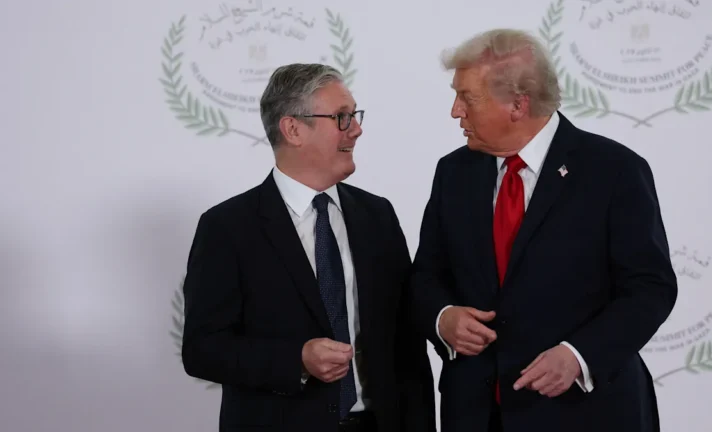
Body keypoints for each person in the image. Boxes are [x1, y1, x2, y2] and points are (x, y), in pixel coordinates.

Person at [410, 29, 678, 432]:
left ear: (518, 104)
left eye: (468, 97)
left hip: (586, 414)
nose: (455, 111)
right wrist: (443, 318)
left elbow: (650, 288)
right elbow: (426, 275)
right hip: (477, 414)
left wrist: (579, 356)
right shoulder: (453, 173)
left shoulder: (613, 171)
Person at [181, 63, 436, 432]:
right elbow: (203, 350)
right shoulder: (228, 227)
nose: (358, 129)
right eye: (342, 118)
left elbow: (408, 347)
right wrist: (296, 360)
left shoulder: (376, 215)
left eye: (355, 116)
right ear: (294, 129)